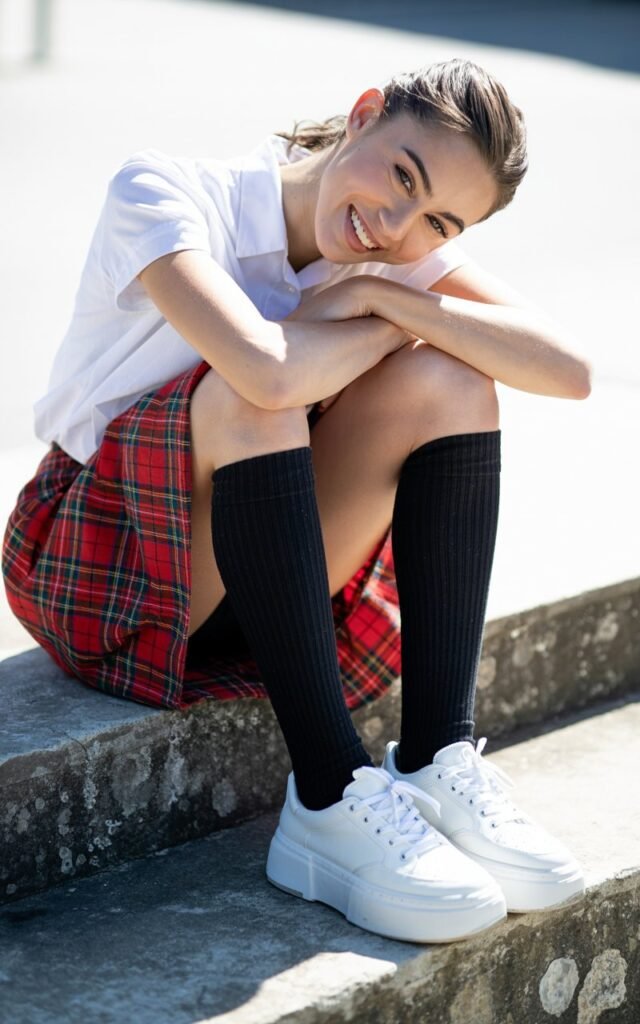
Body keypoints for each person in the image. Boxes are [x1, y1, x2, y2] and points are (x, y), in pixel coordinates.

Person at [2, 58, 590, 944]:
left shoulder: (397, 256)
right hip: (98, 566)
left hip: (255, 570)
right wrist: (370, 297)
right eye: (401, 174)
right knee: (254, 390)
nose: (395, 226)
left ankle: (437, 756)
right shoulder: (166, 194)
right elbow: (267, 369)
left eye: (438, 221)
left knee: (452, 382)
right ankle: (325, 793)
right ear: (360, 116)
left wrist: (389, 296)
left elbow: (570, 371)